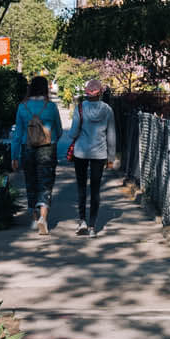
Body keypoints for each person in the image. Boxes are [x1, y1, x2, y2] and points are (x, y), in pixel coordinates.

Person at [11, 73, 63, 234]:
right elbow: (59, 130)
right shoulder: (51, 107)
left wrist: (14, 156)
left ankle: (34, 218)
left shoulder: (22, 107)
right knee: (46, 183)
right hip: (48, 148)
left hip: (28, 148)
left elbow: (17, 134)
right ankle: (43, 218)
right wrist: (50, 138)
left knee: (31, 182)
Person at [64, 77, 116, 236]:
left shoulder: (80, 108)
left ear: (87, 93)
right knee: (95, 189)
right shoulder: (107, 110)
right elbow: (111, 135)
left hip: (81, 152)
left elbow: (73, 132)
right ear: (100, 93)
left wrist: (77, 133)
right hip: (99, 154)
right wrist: (111, 157)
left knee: (81, 188)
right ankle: (93, 227)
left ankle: (82, 221)